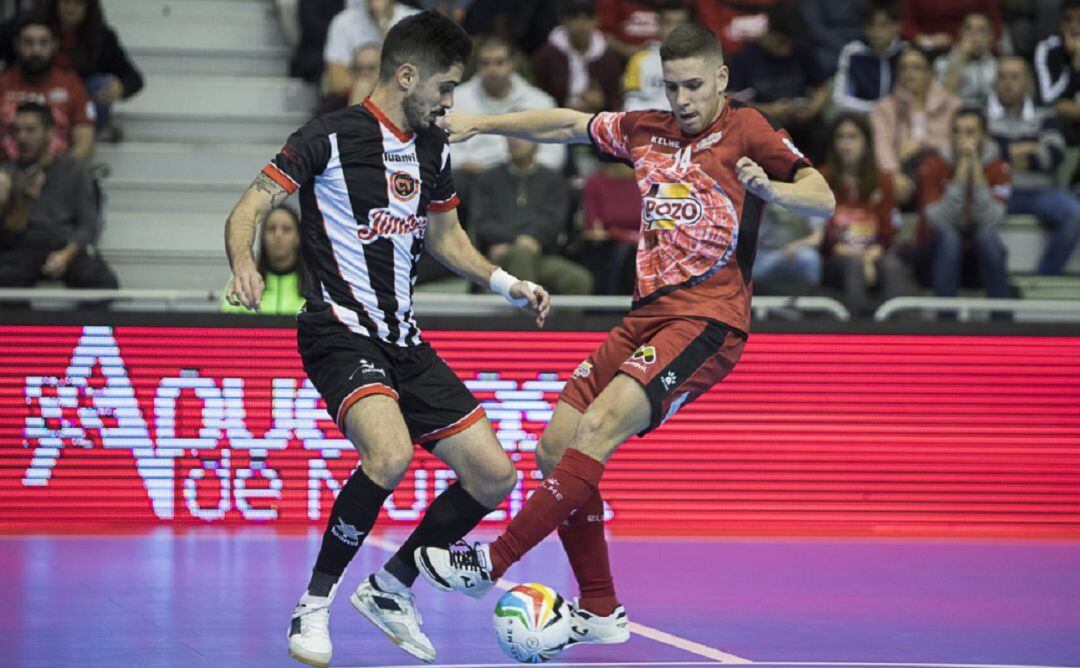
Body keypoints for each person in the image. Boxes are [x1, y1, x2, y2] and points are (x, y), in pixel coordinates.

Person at [414, 22, 835, 643]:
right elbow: (567, 123)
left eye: (695, 85)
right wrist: (482, 125)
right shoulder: (646, 129)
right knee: (555, 447)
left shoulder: (749, 129)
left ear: (721, 78)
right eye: (672, 86)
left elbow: (821, 196)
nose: (683, 99)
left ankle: (492, 562)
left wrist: (771, 188)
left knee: (600, 426)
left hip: (707, 320)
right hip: (642, 318)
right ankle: (602, 608)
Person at [223, 11, 550, 667]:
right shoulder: (328, 137)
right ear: (407, 75)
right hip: (338, 333)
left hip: (404, 341)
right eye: (446, 86)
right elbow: (249, 208)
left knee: (494, 476)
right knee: (390, 454)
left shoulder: (431, 148)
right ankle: (313, 606)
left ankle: (392, 585)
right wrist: (244, 261)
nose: (451, 101)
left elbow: (448, 242)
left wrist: (508, 282)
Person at [0, 101, 116, 291]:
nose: (22, 138)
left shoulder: (75, 170)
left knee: (103, 282)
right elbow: (9, 237)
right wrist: (23, 200)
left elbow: (87, 225)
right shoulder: (6, 174)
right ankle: (23, 322)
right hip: (23, 247)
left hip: (64, 244)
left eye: (30, 130)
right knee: (7, 277)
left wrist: (66, 254)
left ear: (50, 133)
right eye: (17, 131)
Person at [988, 56, 1080, 275]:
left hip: (1042, 192)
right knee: (972, 217)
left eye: (1014, 77)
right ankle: (995, 280)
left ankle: (1043, 277)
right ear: (994, 82)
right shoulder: (983, 118)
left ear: (1028, 81)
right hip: (998, 191)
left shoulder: (1047, 116)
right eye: (1002, 77)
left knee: (1074, 214)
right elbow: (987, 157)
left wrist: (1005, 152)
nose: (1008, 83)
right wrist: (1029, 149)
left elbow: (1055, 156)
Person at [471, 137, 593, 295]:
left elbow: (553, 221)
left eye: (521, 135)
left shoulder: (553, 180)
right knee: (521, 255)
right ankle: (526, 319)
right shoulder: (488, 179)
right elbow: (482, 222)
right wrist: (517, 240)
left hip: (540, 254)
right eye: (511, 135)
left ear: (536, 141)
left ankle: (555, 320)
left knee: (579, 280)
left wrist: (528, 239)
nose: (515, 141)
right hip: (496, 256)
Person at [915, 107, 1011, 301]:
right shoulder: (931, 165)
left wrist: (975, 169)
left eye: (970, 132)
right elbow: (938, 222)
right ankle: (945, 325)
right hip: (934, 256)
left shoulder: (1000, 168)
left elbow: (991, 221)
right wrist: (960, 174)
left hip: (976, 259)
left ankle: (1003, 323)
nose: (962, 139)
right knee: (949, 238)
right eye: (956, 131)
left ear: (984, 135)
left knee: (988, 239)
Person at [820, 112, 906, 316]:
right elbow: (820, 229)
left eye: (853, 137)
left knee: (892, 266)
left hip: (874, 252)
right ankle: (854, 336)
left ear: (866, 141)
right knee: (853, 266)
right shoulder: (823, 178)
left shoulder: (883, 180)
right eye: (840, 137)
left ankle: (898, 335)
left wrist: (871, 254)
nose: (845, 144)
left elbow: (888, 229)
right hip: (837, 255)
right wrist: (854, 255)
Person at [728, 3, 830, 161]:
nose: (786, 50)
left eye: (789, 45)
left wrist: (812, 109)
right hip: (762, 123)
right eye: (781, 43)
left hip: (800, 121)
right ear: (769, 32)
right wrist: (769, 110)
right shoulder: (746, 56)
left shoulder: (801, 50)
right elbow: (731, 100)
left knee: (821, 132)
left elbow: (822, 87)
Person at [451, 35, 564, 174]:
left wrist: (522, 171)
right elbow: (445, 149)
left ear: (512, 64)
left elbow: (555, 154)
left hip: (527, 178)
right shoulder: (456, 99)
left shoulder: (539, 101)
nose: (492, 69)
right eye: (485, 63)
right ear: (477, 66)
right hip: (473, 177)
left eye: (499, 62)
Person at [38, 0, 144, 137]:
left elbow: (134, 78)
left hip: (78, 98)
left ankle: (87, 135)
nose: (71, 8)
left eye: (78, 3)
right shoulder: (35, 29)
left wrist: (121, 87)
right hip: (40, 93)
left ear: (88, 7)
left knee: (102, 84)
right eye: (66, 2)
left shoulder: (102, 37)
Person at [870, 47, 960, 205]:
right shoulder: (883, 108)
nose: (909, 73)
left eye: (916, 67)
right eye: (903, 68)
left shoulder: (952, 105)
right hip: (902, 174)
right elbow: (882, 147)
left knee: (930, 165)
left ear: (930, 73)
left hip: (942, 173)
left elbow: (955, 144)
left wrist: (919, 145)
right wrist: (894, 175)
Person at [0, 19, 94, 160]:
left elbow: (85, 144)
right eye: (29, 42)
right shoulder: (3, 83)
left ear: (54, 45)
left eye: (43, 43)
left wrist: (59, 173)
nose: (36, 50)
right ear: (17, 45)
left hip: (59, 175)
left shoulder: (72, 85)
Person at [530, 0, 624, 113]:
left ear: (597, 20)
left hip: (597, 120)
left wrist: (603, 102)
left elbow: (616, 99)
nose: (581, 24)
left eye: (588, 17)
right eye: (575, 17)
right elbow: (536, 94)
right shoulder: (546, 55)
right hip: (555, 119)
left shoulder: (608, 57)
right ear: (563, 20)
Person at [323, 0, 419, 99]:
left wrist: (383, 23)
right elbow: (337, 81)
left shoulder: (415, 21)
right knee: (363, 86)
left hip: (403, 97)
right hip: (355, 97)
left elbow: (417, 76)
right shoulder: (343, 23)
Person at [220, 206, 307, 315]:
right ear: (262, 236)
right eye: (271, 228)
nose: (278, 235)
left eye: (286, 229)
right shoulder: (245, 279)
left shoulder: (315, 283)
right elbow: (227, 322)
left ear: (298, 237)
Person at [833, 0, 906, 114]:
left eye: (884, 25)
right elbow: (840, 99)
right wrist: (876, 109)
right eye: (871, 24)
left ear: (897, 26)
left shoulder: (906, 52)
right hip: (863, 119)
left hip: (899, 120)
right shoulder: (853, 52)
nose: (877, 31)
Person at [622, 0, 692, 111]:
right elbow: (630, 104)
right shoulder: (639, 60)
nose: (674, 29)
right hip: (649, 125)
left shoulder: (701, 61)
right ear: (659, 25)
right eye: (668, 23)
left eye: (679, 23)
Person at [1034, 0, 1080, 145]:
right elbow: (1048, 99)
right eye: (1068, 20)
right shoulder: (1046, 49)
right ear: (1060, 22)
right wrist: (1074, 67)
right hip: (1064, 126)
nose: (1074, 26)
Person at [933, 11, 996, 108]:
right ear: (960, 33)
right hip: (955, 117)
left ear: (990, 37)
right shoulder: (942, 63)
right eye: (968, 29)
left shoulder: (998, 67)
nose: (974, 35)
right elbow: (942, 102)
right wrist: (960, 58)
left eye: (981, 30)